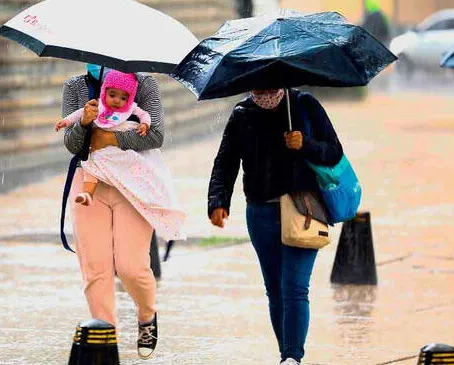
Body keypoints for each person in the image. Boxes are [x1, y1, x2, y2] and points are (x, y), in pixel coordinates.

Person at [207, 88, 343, 365]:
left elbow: (334, 152)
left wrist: (305, 144)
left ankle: (292, 357)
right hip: (260, 211)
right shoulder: (242, 113)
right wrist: (218, 201)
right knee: (275, 288)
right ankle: (287, 355)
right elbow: (226, 162)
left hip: (303, 208)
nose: (265, 88)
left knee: (294, 287)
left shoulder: (304, 104)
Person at [60, 64, 181, 359]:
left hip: (133, 183)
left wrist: (113, 138)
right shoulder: (76, 86)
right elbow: (72, 145)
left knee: (130, 266)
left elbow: (155, 136)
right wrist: (85, 124)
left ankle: (147, 315)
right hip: (90, 183)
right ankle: (106, 340)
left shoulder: (144, 84)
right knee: (95, 268)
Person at [56, 71, 150, 205]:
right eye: (112, 95)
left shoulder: (131, 108)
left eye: (123, 98)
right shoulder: (97, 104)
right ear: (104, 92)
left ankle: (135, 186)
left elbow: (144, 114)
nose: (117, 100)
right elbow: (79, 113)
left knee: (130, 159)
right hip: (98, 149)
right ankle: (87, 194)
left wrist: (145, 124)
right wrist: (66, 121)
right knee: (90, 163)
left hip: (119, 143)